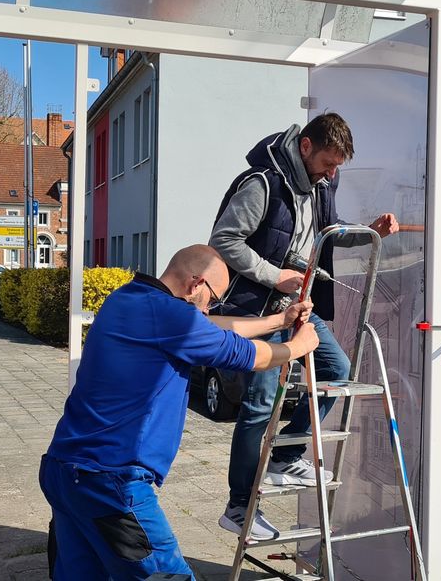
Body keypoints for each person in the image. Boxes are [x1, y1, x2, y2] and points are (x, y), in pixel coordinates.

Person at [40, 245, 319, 581]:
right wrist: (297, 347)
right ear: (195, 284)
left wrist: (278, 320)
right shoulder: (172, 316)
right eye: (213, 297)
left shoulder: (126, 299)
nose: (210, 306)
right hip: (112, 483)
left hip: (63, 471)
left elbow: (211, 327)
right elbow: (247, 355)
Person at [209, 113, 399, 540]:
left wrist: (368, 232)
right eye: (328, 164)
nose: (332, 174)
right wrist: (275, 276)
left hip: (297, 304)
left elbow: (323, 238)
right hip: (259, 308)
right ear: (306, 146)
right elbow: (224, 241)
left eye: (337, 168)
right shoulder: (261, 183)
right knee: (259, 406)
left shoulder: (321, 184)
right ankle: (238, 507)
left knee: (337, 371)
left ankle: (284, 455)